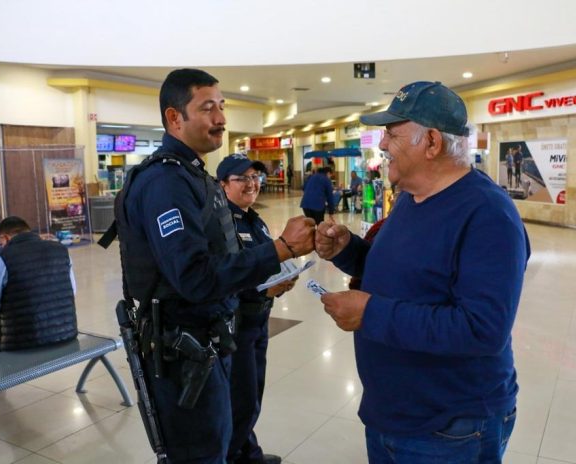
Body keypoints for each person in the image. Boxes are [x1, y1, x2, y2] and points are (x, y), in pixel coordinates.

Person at [314, 81, 531, 463]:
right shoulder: (412, 198)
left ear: (431, 142)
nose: (381, 145)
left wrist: (371, 314)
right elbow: (403, 273)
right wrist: (348, 251)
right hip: (392, 413)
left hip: (449, 427)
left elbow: (483, 329)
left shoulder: (488, 215)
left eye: (392, 134)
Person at [112, 68, 315, 463]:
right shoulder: (166, 183)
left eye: (221, 106)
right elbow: (195, 278)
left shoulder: (192, 175)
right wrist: (280, 249)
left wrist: (264, 277)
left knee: (220, 441)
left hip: (207, 343)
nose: (221, 118)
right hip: (183, 353)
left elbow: (218, 261)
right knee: (201, 453)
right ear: (175, 118)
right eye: (207, 108)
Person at [216, 154, 296, 464]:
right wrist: (261, 286)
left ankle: (247, 450)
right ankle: (234, 456)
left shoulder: (254, 219)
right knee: (241, 397)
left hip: (259, 318)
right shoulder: (222, 225)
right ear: (223, 185)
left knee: (252, 393)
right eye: (242, 179)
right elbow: (224, 274)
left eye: (255, 178)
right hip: (237, 322)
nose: (251, 184)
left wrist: (282, 276)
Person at [0, 216, 77, 352]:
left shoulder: (1, 258)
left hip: (22, 346)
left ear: (5, 238)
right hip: (66, 337)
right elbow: (72, 292)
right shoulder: (61, 250)